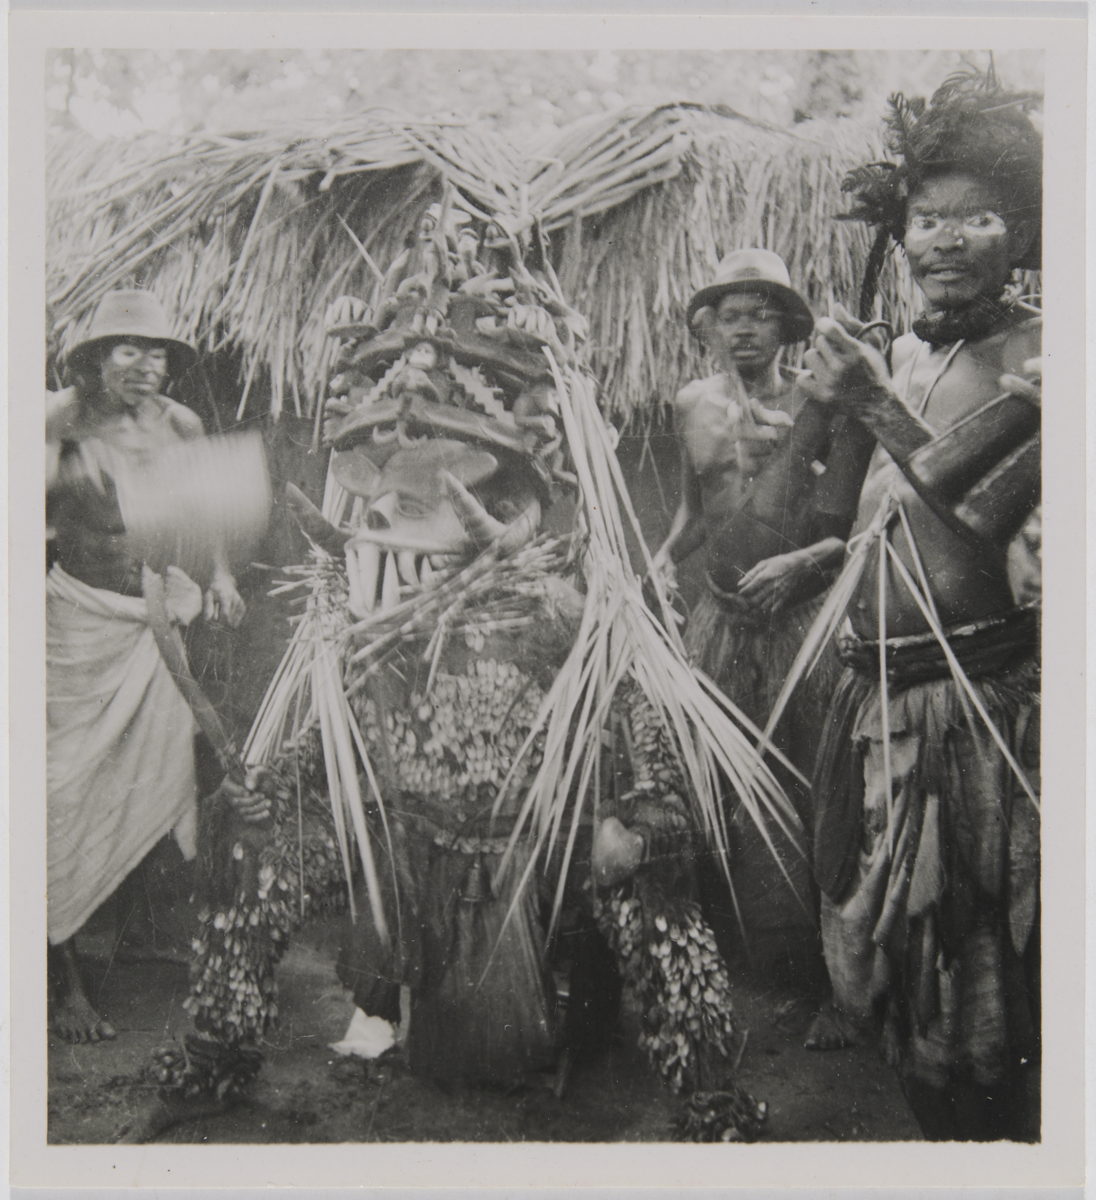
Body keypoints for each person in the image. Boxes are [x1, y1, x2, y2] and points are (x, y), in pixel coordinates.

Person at [797, 69, 1042, 1141]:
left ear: (1021, 230)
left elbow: (981, 512)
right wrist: (823, 414)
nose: (945, 238)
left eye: (974, 216)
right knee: (896, 977)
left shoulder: (1044, 352)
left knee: (979, 971)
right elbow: (851, 513)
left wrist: (870, 400)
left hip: (975, 710)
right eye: (926, 218)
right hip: (875, 700)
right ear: (899, 236)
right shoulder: (900, 352)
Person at [652, 249, 875, 947]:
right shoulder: (690, 403)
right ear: (710, 327)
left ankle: (816, 953)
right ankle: (748, 943)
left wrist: (799, 562)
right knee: (725, 771)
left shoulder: (819, 403)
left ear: (788, 328)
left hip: (799, 620)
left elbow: (847, 527)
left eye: (760, 315)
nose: (744, 330)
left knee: (809, 773)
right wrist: (661, 560)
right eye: (730, 316)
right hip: (720, 618)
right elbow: (694, 514)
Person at [46, 289, 245, 1042]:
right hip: (77, 623)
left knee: (154, 778)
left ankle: (141, 933)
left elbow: (209, 505)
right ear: (96, 360)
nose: (145, 365)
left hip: (154, 617)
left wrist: (220, 574)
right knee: (64, 792)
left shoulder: (180, 425)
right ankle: (61, 979)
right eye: (128, 349)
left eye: (157, 352)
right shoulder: (62, 420)